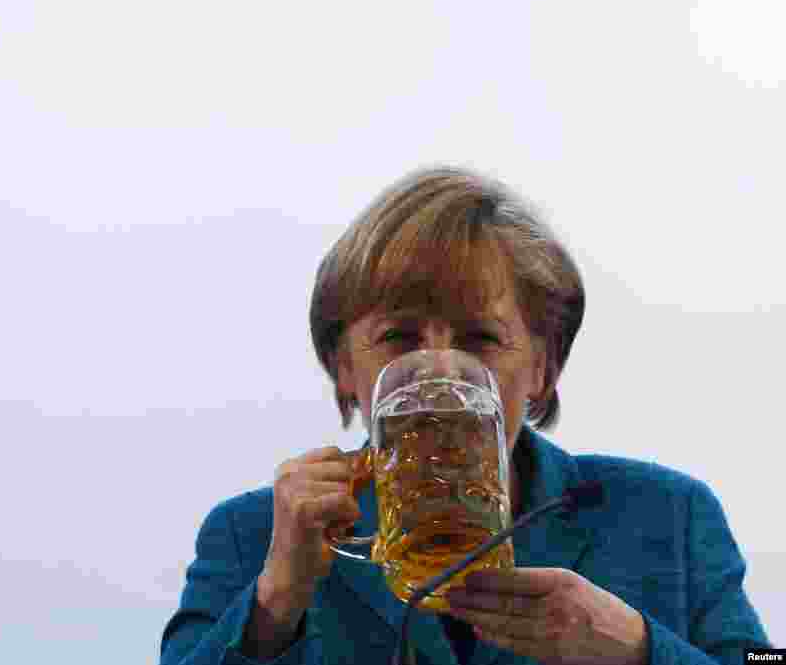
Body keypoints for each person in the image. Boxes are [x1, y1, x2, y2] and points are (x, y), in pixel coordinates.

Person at [160, 168, 770, 665]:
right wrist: (273, 602)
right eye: (399, 337)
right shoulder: (254, 537)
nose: (441, 372)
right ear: (343, 366)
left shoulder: (669, 514)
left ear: (543, 368)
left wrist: (638, 650)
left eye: (479, 338)